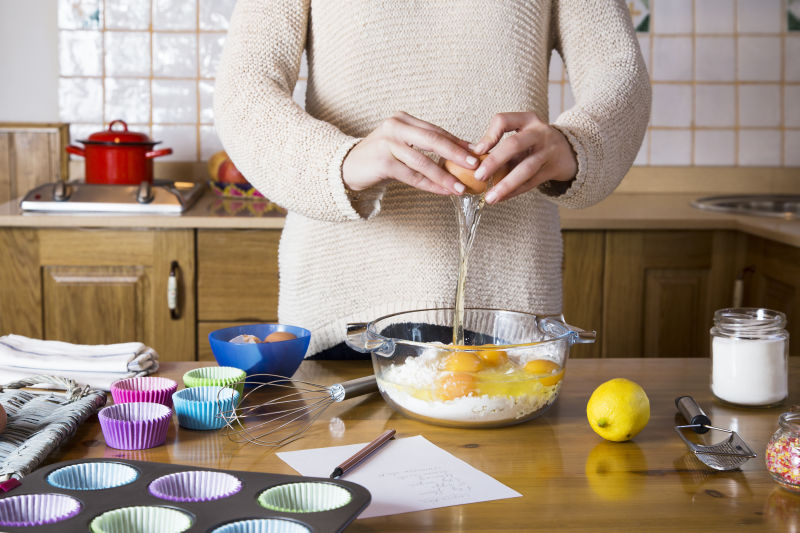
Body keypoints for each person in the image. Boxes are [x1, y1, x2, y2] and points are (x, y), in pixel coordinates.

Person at [214, 0, 651, 358]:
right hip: (343, 305)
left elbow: (619, 72)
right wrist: (342, 161)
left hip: (507, 305)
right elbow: (244, 89)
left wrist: (575, 144)